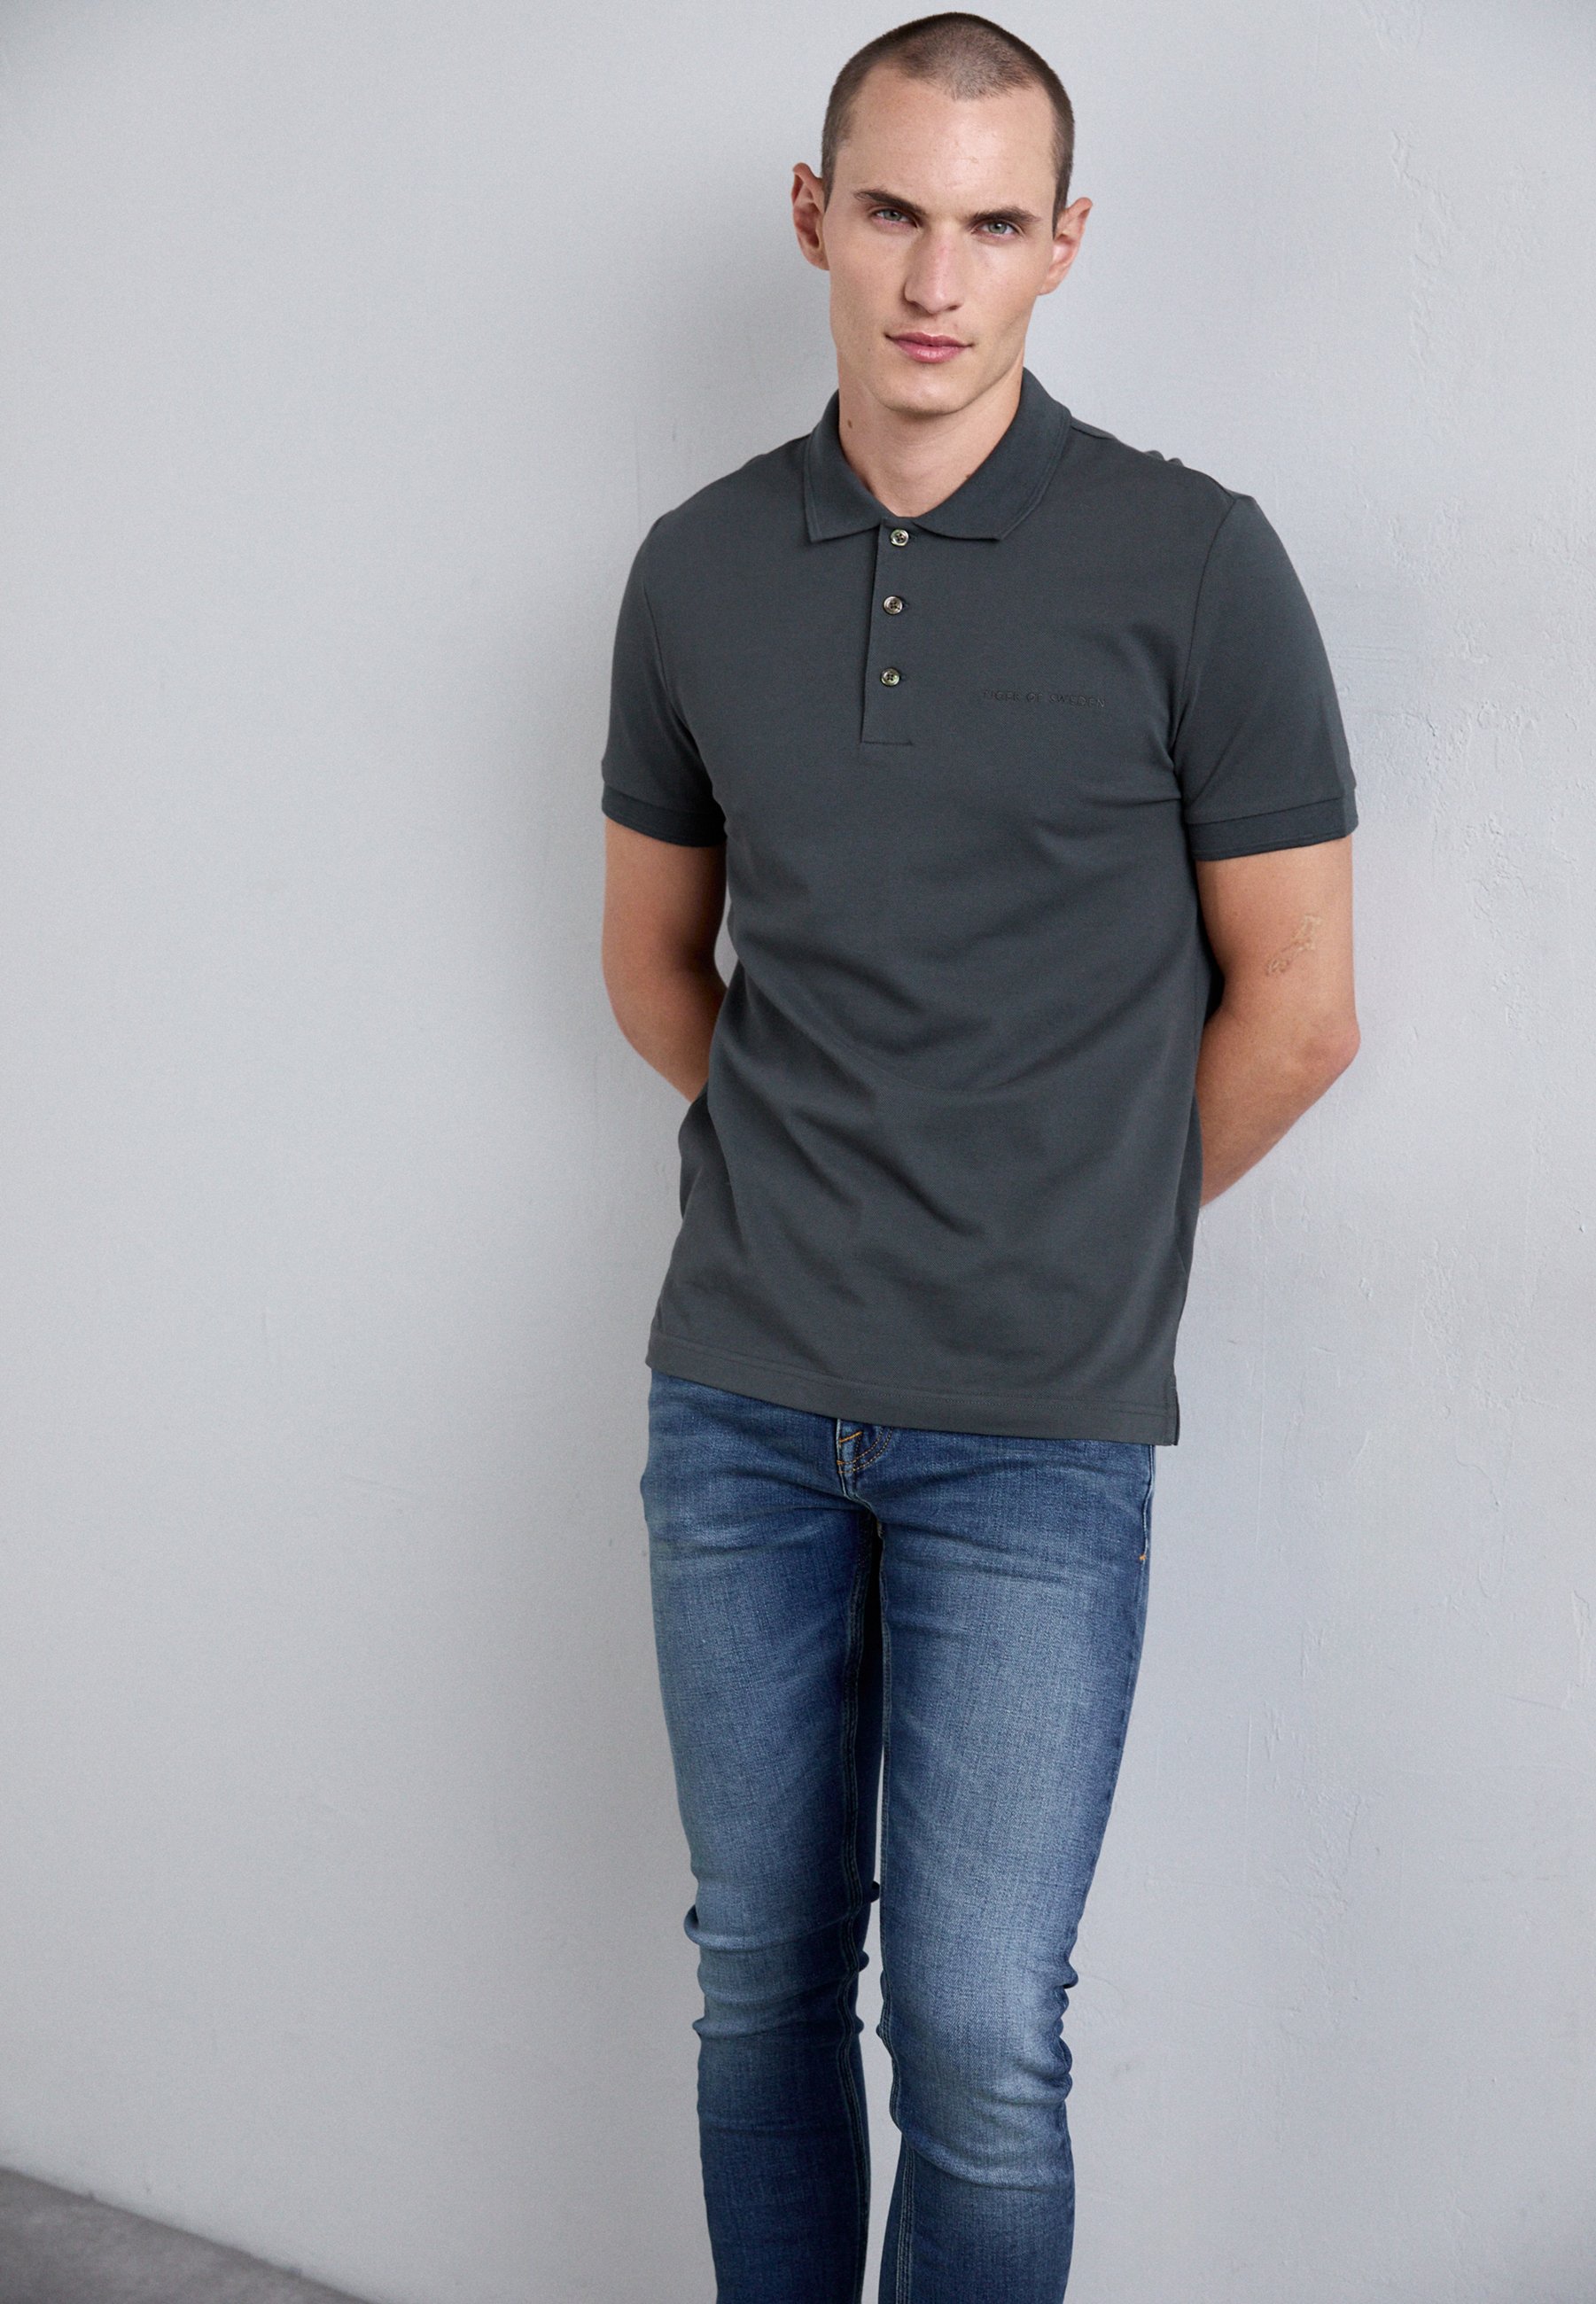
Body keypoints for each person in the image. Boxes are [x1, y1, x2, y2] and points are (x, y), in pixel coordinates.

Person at [598, 13, 1360, 2300]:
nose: (939, 279)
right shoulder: (694, 567)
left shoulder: (1197, 564)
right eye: (896, 214)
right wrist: (823, 1188)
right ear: (815, 219)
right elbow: (653, 965)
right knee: (757, 1981)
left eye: (995, 223)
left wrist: (1063, 1227)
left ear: (1065, 245)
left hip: (1035, 1429)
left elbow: (1302, 1010)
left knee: (979, 2037)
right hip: (741, 1401)